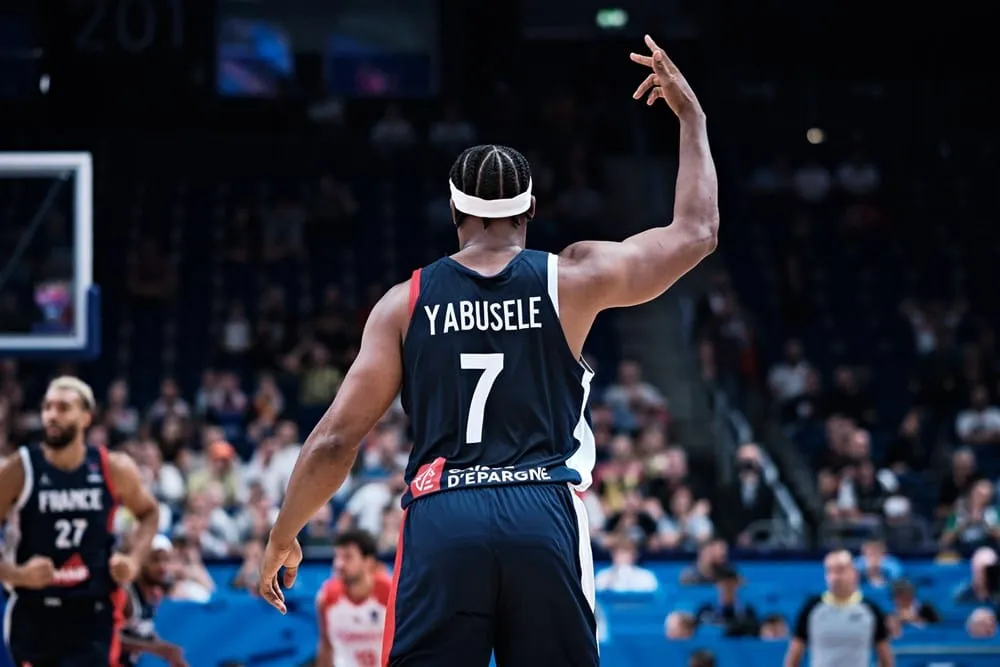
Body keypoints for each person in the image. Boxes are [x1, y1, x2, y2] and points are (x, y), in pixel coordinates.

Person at [260, 34, 719, 667]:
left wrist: (284, 534)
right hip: (542, 507)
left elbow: (336, 440)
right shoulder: (572, 277)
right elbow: (697, 232)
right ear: (529, 208)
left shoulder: (403, 303)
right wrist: (692, 116)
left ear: (455, 209)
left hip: (443, 511)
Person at [0, 376, 160, 667]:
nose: (51, 415)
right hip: (35, 613)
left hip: (93, 610)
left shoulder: (113, 467)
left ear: (86, 417)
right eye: (47, 407)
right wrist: (15, 574)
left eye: (63, 408)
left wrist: (134, 560)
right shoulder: (20, 468)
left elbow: (149, 513)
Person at [784, 550, 894, 667]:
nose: (835, 577)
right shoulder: (811, 608)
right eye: (830, 571)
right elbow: (794, 653)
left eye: (840, 570)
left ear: (854, 573)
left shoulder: (870, 609)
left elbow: (885, 655)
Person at [315, 530, 392, 667]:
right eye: (337, 557)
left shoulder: (390, 593)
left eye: (348, 557)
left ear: (368, 562)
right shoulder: (327, 597)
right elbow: (326, 646)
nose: (339, 564)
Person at [118, 534, 188, 667]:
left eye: (166, 560)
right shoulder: (126, 594)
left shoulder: (153, 595)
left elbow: (143, 632)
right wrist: (155, 649)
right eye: (155, 560)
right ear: (142, 562)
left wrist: (169, 652)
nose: (162, 567)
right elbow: (109, 638)